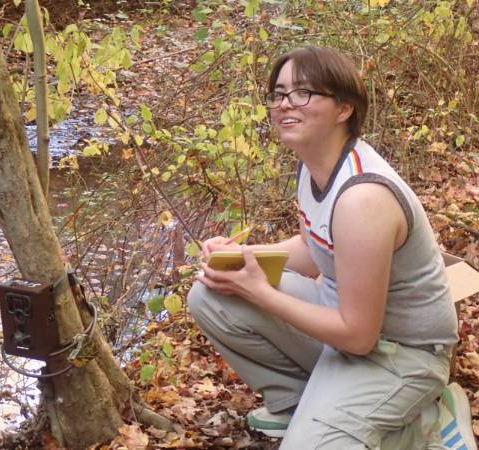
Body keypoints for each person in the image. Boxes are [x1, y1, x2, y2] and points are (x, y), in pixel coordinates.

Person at [187, 46, 477, 450]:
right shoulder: (314, 164)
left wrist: (259, 291)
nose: (286, 104)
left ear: (344, 109)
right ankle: (300, 404)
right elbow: (314, 248)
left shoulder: (363, 199)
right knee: (210, 296)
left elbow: (358, 336)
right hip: (346, 324)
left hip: (403, 355)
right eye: (279, 93)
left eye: (304, 92)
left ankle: (425, 425)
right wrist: (243, 259)